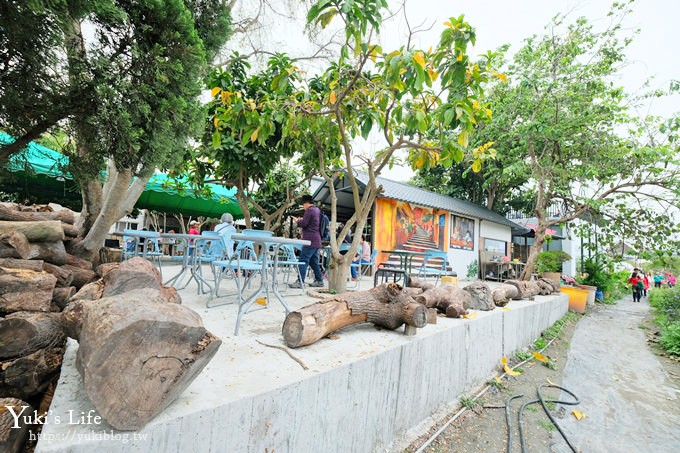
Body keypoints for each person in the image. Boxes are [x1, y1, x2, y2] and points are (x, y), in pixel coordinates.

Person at [289, 194, 324, 288]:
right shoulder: (317, 210)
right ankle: (319, 281)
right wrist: (302, 220)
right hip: (316, 240)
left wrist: (298, 220)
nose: (303, 206)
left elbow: (304, 224)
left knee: (303, 260)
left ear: (306, 203)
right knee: (313, 262)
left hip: (309, 240)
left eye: (303, 204)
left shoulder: (309, 210)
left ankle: (300, 281)